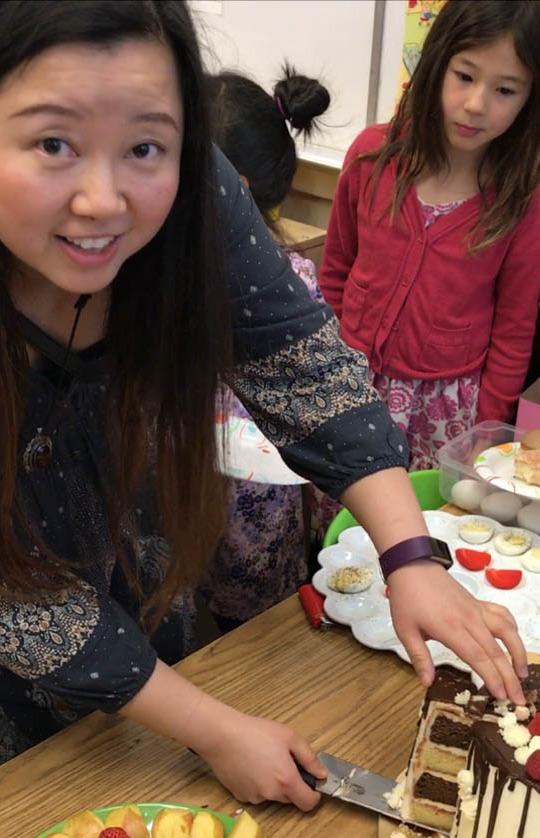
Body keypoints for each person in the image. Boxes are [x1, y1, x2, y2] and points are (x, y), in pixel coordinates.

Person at [0, 0, 526, 809]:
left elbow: (299, 364)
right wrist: (213, 729)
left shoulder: (197, 189)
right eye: (53, 143)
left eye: (145, 147)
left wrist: (409, 557)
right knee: (25, 819)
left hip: (132, 553)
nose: (102, 201)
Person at [320, 0, 540, 470]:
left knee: (419, 533)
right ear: (437, 64)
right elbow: (335, 275)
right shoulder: (372, 156)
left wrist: (489, 430)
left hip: (446, 415)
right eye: (465, 76)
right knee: (342, 528)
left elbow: (514, 333)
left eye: (506, 90)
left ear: (532, 97)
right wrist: (328, 373)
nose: (476, 105)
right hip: (349, 389)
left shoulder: (523, 203)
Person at [202, 67, 340, 629]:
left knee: (253, 631)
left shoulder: (291, 286)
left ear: (231, 187)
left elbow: (323, 410)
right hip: (175, 495)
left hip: (253, 502)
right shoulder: (147, 281)